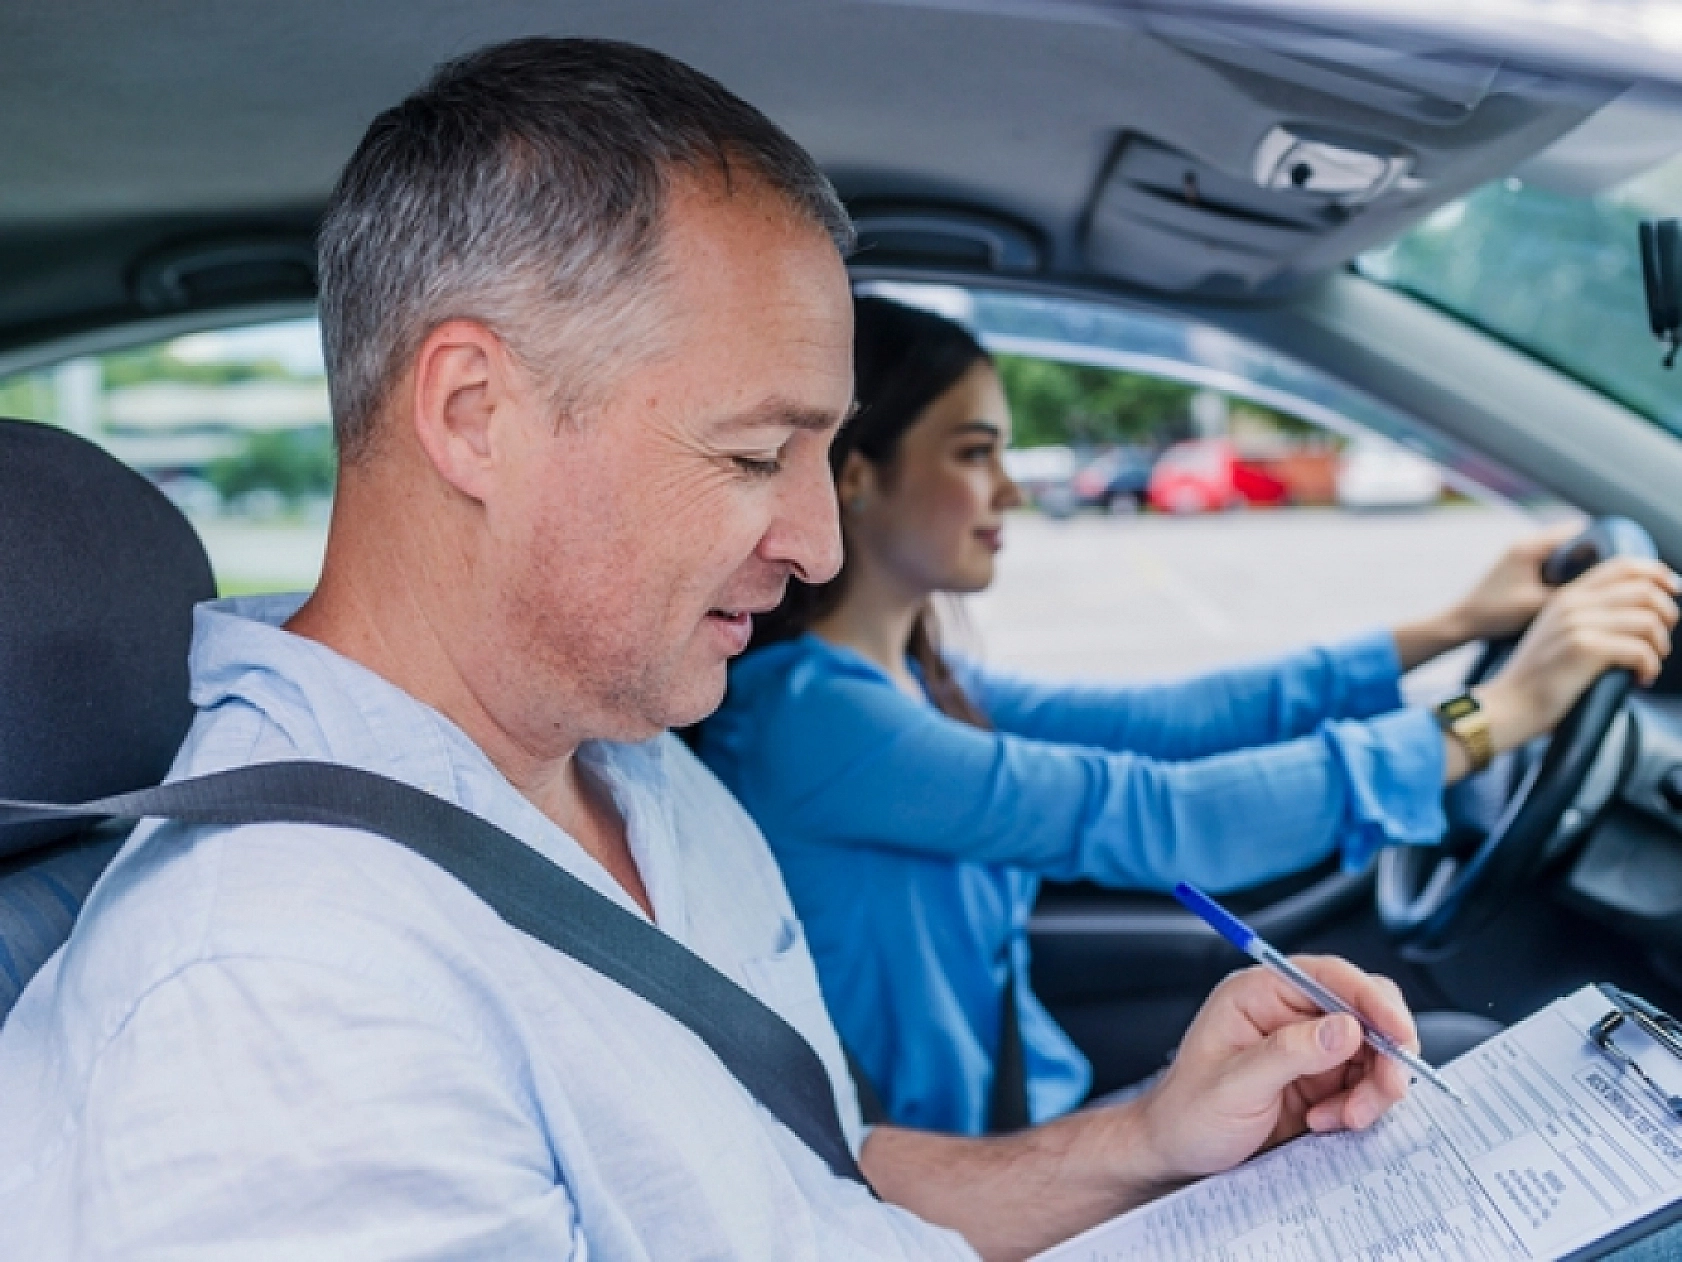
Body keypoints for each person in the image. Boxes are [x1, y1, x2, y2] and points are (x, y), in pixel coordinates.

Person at [1, 37, 1439, 1261]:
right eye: (756, 451)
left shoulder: (634, 770)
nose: (817, 542)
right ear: (473, 414)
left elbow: (803, 1190)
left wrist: (1151, 1138)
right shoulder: (279, 998)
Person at [697, 294, 1681, 1137]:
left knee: (1448, 1068)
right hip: (966, 1176)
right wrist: (1494, 714)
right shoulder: (812, 720)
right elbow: (1158, 813)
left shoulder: (909, 684)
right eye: (972, 452)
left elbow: (1166, 722)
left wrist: (1453, 626)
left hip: (1028, 1108)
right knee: (1474, 1076)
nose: (1008, 486)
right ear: (855, 474)